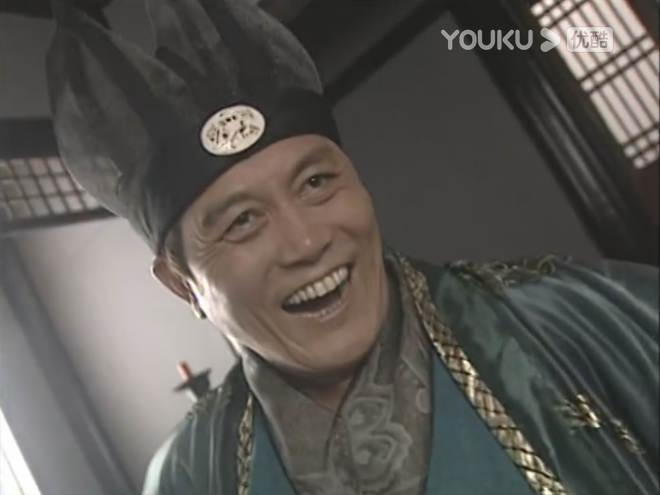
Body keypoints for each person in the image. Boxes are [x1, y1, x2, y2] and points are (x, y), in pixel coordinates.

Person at [45, 1, 658, 494]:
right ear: (184, 285)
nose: (307, 241)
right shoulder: (193, 475)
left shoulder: (580, 319)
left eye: (316, 183)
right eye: (243, 221)